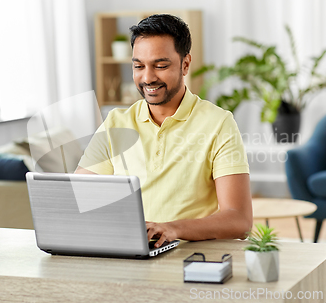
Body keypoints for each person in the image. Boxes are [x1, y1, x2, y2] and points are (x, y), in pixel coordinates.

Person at [76, 14, 252, 248]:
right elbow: (79, 198)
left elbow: (239, 220)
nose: (147, 77)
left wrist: (172, 229)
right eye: (138, 66)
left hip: (188, 253)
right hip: (127, 251)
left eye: (160, 66)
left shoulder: (219, 123)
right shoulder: (115, 123)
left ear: (185, 64)